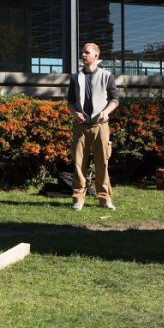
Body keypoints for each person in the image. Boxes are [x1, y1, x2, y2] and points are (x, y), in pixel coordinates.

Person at [67, 42, 119, 212]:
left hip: (101, 126)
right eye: (82, 52)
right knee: (78, 164)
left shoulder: (107, 75)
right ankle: (78, 199)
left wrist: (106, 112)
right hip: (80, 127)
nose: (83, 55)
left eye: (87, 53)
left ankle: (104, 199)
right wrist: (75, 114)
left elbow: (114, 99)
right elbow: (71, 102)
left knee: (102, 164)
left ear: (96, 56)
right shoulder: (75, 78)